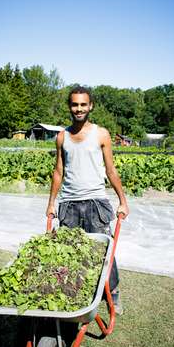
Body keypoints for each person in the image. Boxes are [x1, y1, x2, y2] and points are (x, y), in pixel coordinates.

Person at [46, 85, 129, 315]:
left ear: (90, 106)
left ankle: (113, 294)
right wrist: (52, 203)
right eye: (75, 104)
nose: (79, 109)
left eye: (83, 104)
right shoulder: (62, 137)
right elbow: (58, 172)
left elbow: (111, 170)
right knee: (70, 252)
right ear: (69, 106)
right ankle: (76, 294)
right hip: (69, 205)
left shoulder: (101, 134)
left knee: (103, 252)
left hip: (95, 203)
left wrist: (123, 200)